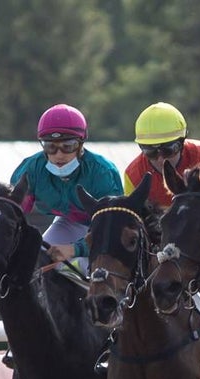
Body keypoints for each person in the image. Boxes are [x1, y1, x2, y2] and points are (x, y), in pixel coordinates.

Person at [10, 103, 122, 274]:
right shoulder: (30, 170)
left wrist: (74, 250)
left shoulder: (102, 172)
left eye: (68, 146)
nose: (59, 154)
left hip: (103, 228)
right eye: (50, 146)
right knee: (38, 261)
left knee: (92, 269)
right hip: (68, 223)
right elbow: (13, 214)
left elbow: (112, 226)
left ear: (81, 144)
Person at [124, 102, 200, 209]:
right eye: (150, 152)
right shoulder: (133, 175)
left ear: (182, 142)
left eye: (168, 150)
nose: (161, 159)